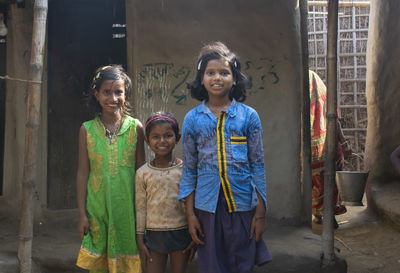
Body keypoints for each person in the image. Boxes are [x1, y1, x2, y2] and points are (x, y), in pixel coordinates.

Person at [179, 42, 272, 273]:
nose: (217, 78)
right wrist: (190, 215)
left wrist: (260, 214)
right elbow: (189, 170)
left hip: (242, 205)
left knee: (242, 263)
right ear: (202, 79)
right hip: (206, 208)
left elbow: (258, 166)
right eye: (210, 73)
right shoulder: (193, 119)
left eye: (224, 72)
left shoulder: (248, 117)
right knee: (212, 265)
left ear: (235, 78)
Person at [75, 65, 145, 273]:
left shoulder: (135, 128)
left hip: (128, 208)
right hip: (97, 208)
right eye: (106, 92)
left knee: (127, 258)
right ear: (96, 94)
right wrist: (82, 215)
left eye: (118, 92)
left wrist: (145, 212)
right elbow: (82, 173)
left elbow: (141, 172)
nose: (113, 98)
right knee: (100, 262)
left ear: (126, 94)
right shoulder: (86, 130)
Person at [135, 112, 195, 273]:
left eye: (168, 135)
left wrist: (193, 234)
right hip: (154, 236)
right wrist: (140, 239)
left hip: (181, 232)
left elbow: (192, 206)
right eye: (156, 137)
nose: (162, 141)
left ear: (177, 137)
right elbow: (140, 208)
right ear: (147, 140)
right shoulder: (143, 173)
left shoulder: (185, 171)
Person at [309, 70, 351, 227]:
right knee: (330, 183)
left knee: (316, 184)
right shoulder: (324, 95)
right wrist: (344, 143)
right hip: (330, 148)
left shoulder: (299, 98)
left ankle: (321, 215)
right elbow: (336, 121)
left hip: (310, 152)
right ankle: (327, 215)